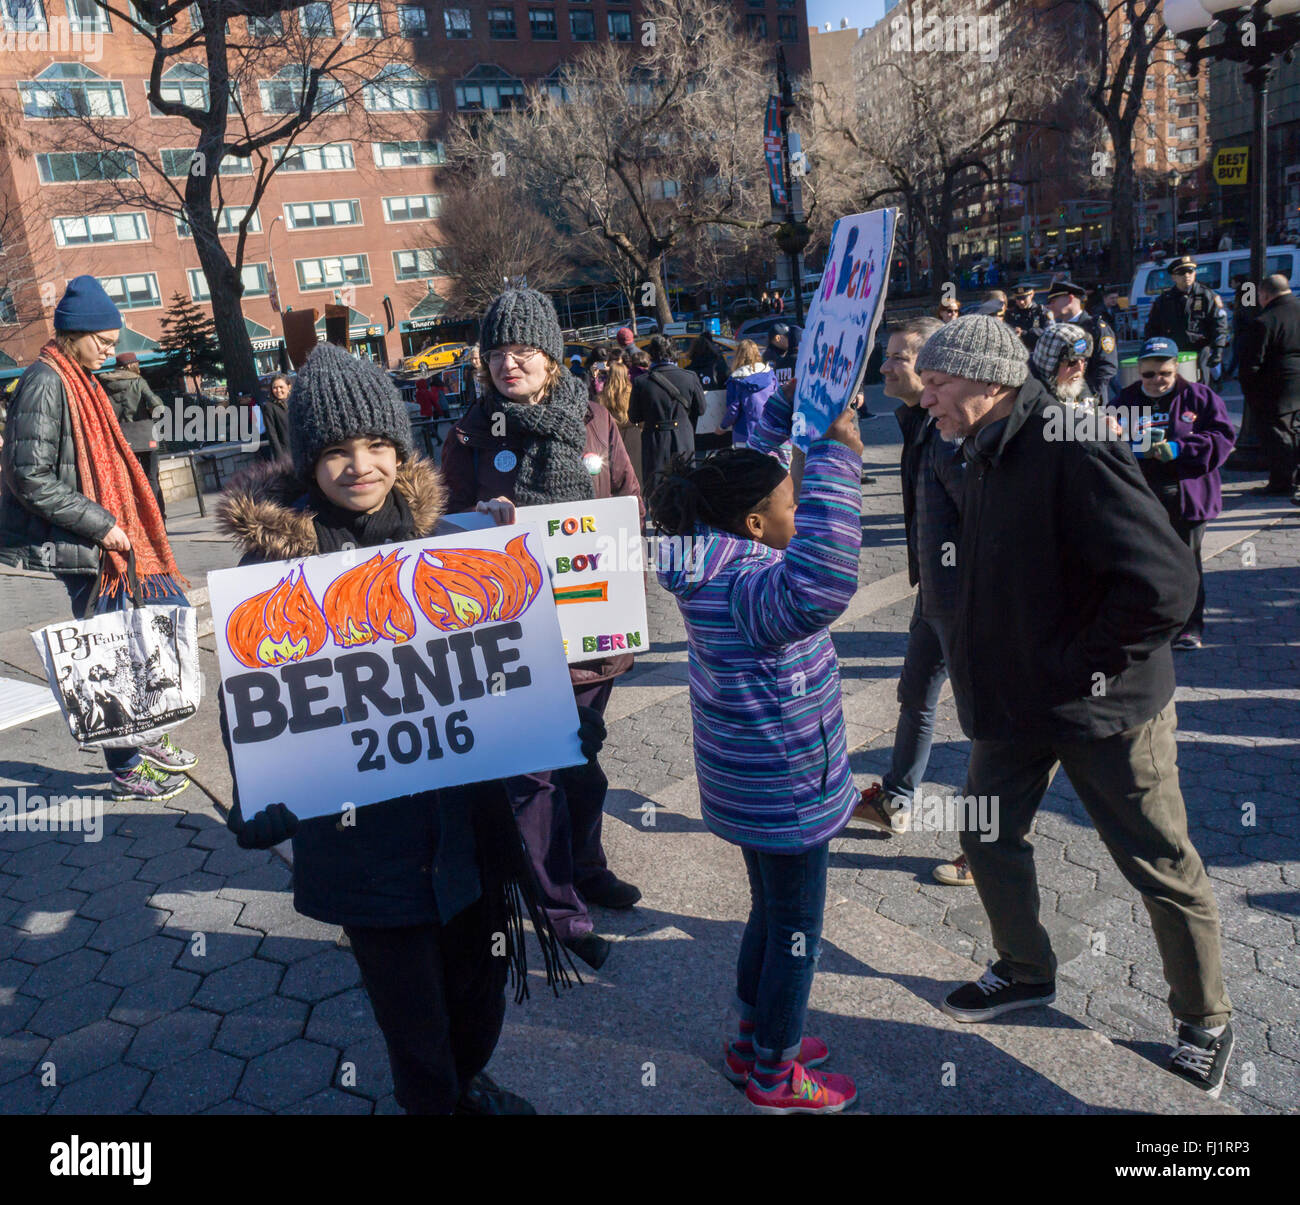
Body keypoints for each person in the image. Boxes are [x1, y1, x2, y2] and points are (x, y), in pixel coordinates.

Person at [216, 341, 601, 1115]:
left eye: (377, 443)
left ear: (400, 445)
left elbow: (501, 657)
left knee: (480, 987)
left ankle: (467, 1080)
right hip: (368, 849)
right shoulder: (274, 573)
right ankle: (437, 1099)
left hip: (466, 826)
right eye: (334, 450)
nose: (360, 465)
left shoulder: (452, 538)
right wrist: (259, 786)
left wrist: (552, 722)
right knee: (412, 1021)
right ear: (306, 463)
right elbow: (254, 697)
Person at [915, 315, 1235, 1100]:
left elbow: (1165, 586)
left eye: (938, 384)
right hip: (1021, 701)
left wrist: (1079, 666)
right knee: (986, 834)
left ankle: (1206, 1021)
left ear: (990, 382)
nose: (926, 400)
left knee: (1157, 863)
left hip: (1106, 706)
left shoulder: (1072, 440)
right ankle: (1025, 969)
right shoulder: (979, 443)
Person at [651, 406, 866, 1115]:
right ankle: (773, 1074)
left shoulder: (703, 557)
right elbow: (823, 582)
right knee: (797, 933)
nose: (798, 510)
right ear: (753, 523)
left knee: (770, 919)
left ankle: (751, 1039)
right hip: (789, 790)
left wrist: (792, 413)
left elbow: (745, 464)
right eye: (790, 504)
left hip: (749, 787)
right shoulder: (753, 588)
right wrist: (835, 458)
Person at [441, 289, 643, 971]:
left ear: (550, 357)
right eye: (495, 352)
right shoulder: (468, 434)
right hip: (511, 641)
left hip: (589, 639)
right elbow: (439, 536)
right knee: (533, 780)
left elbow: (626, 503)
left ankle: (586, 865)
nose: (507, 363)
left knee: (583, 769)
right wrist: (478, 524)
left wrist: (622, 586)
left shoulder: (592, 420)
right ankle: (559, 910)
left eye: (521, 350)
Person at [0, 275, 196, 802]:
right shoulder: (45, 380)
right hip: (86, 543)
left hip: (110, 539)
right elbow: (28, 476)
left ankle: (148, 734)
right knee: (106, 655)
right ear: (74, 334)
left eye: (113, 342)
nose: (111, 352)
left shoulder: (78, 377)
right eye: (103, 342)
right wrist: (102, 523)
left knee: (153, 629)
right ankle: (126, 765)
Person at [852, 317, 976, 884]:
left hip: (971, 601)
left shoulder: (950, 434)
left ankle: (986, 848)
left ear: (933, 368)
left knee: (988, 723)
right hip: (937, 594)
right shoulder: (919, 422)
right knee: (916, 697)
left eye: (898, 357)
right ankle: (896, 801)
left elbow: (986, 520)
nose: (885, 367)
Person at [1114, 336, 1236, 649]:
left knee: (1186, 561)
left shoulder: (1199, 396)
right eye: (1149, 374)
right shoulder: (1125, 400)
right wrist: (1129, 449)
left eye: (1165, 373)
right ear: (1139, 370)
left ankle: (1189, 626)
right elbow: (1104, 441)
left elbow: (1222, 438)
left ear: (1176, 368)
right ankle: (1153, 623)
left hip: (1187, 494)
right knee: (1145, 562)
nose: (1157, 380)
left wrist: (1180, 448)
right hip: (1142, 495)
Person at [1237, 272, 1300, 501]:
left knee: (1278, 436)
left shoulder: (1265, 321)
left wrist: (1251, 392)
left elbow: (1251, 363)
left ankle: (1282, 481)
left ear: (1263, 295)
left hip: (1276, 388)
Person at [628, 333, 705, 492]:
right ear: (674, 352)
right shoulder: (689, 377)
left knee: (657, 487)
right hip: (683, 436)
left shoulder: (641, 382)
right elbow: (702, 409)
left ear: (651, 354)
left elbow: (634, 416)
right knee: (686, 483)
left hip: (655, 439)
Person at [98, 351, 168, 516]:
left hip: (121, 439)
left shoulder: (105, 384)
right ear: (132, 365)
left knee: (129, 481)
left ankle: (137, 518)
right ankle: (157, 517)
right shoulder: (138, 381)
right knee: (151, 478)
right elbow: (156, 404)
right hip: (145, 435)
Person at [1143, 255, 1229, 384]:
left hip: (1200, 350)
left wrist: (1218, 349)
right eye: (1181, 273)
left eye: (1190, 271)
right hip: (1174, 352)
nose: (1187, 276)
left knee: (1201, 389)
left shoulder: (1207, 296)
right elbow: (1152, 328)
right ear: (1173, 277)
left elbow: (1219, 324)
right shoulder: (1164, 300)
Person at [1046, 281, 1119, 405]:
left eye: (1053, 301)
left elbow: (1107, 366)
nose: (1050, 306)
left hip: (1089, 400)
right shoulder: (1057, 330)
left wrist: (1091, 394)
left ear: (1070, 299)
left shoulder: (1096, 328)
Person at [1027, 323, 1102, 412]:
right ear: (1050, 365)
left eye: (1083, 360)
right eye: (1071, 362)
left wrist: (1102, 419)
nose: (1079, 369)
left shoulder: (1073, 382)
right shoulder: (1029, 398)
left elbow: (1090, 407)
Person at [720, 340, 777, 451]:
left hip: (744, 432)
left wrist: (722, 426)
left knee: (745, 465)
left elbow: (733, 409)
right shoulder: (771, 376)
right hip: (768, 429)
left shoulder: (736, 380)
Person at [595, 357, 642, 491]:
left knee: (615, 478)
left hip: (610, 437)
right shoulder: (633, 393)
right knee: (637, 477)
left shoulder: (601, 397)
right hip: (634, 436)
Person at [1004, 284, 1051, 349]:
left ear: (1032, 294)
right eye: (1018, 298)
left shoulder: (1042, 312)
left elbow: (1049, 333)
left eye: (1024, 298)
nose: (1021, 302)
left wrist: (1024, 333)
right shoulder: (1010, 314)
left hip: (1037, 350)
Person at [259, 372, 293, 461]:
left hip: (301, 449)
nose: (278, 390)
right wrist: (280, 457)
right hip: (285, 454)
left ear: (289, 387)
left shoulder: (295, 402)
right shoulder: (269, 406)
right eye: (275, 387)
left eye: (281, 387)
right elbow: (272, 433)